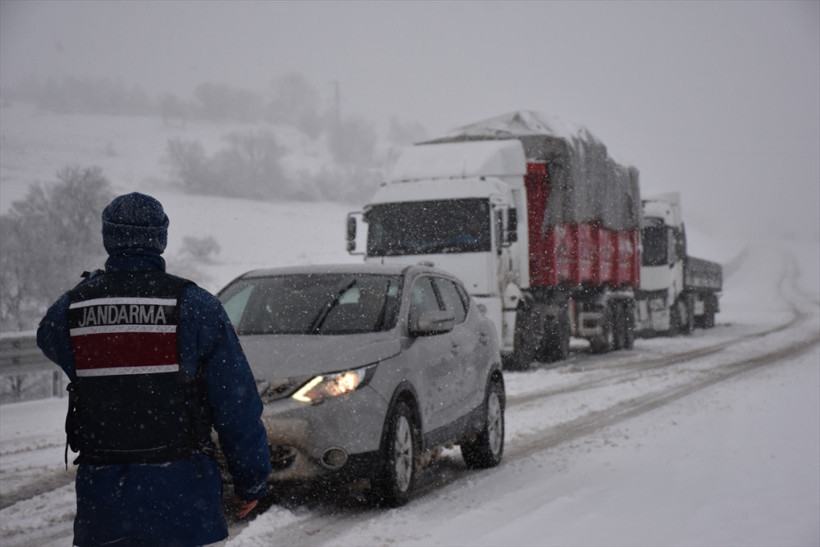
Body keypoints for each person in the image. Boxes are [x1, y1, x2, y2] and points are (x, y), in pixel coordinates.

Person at [37, 192, 272, 547]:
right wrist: (250, 480)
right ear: (160, 237)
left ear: (108, 236)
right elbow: (236, 405)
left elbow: (49, 338)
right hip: (186, 502)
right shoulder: (195, 306)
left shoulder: (74, 306)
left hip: (104, 506)